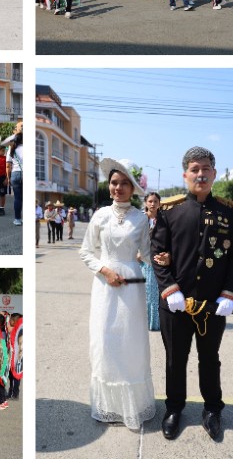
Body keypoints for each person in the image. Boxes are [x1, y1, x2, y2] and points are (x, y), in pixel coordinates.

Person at [151, 147, 233, 441]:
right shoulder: (170, 210)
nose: (200, 174)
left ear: (214, 174)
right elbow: (157, 253)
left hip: (212, 305)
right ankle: (174, 408)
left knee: (209, 358)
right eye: (195, 169)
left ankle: (213, 409)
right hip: (176, 303)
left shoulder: (228, 211)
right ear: (185, 174)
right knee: (175, 359)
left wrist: (229, 293)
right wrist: (168, 287)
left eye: (206, 169)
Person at [79, 158, 155, 430]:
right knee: (105, 342)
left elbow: (147, 255)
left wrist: (166, 258)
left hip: (132, 289)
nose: (118, 188)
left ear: (133, 188)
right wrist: (105, 271)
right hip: (104, 287)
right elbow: (86, 252)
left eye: (124, 183)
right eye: (114, 183)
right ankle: (109, 406)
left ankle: (133, 406)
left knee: (130, 344)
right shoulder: (99, 215)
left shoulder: (141, 218)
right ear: (108, 185)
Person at [142, 193, 161, 331]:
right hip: (140, 260)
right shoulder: (140, 219)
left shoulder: (164, 220)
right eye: (150, 201)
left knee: (154, 291)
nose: (152, 204)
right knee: (142, 291)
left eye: (155, 201)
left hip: (156, 260)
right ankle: (142, 321)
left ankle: (155, 322)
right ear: (145, 203)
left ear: (159, 203)